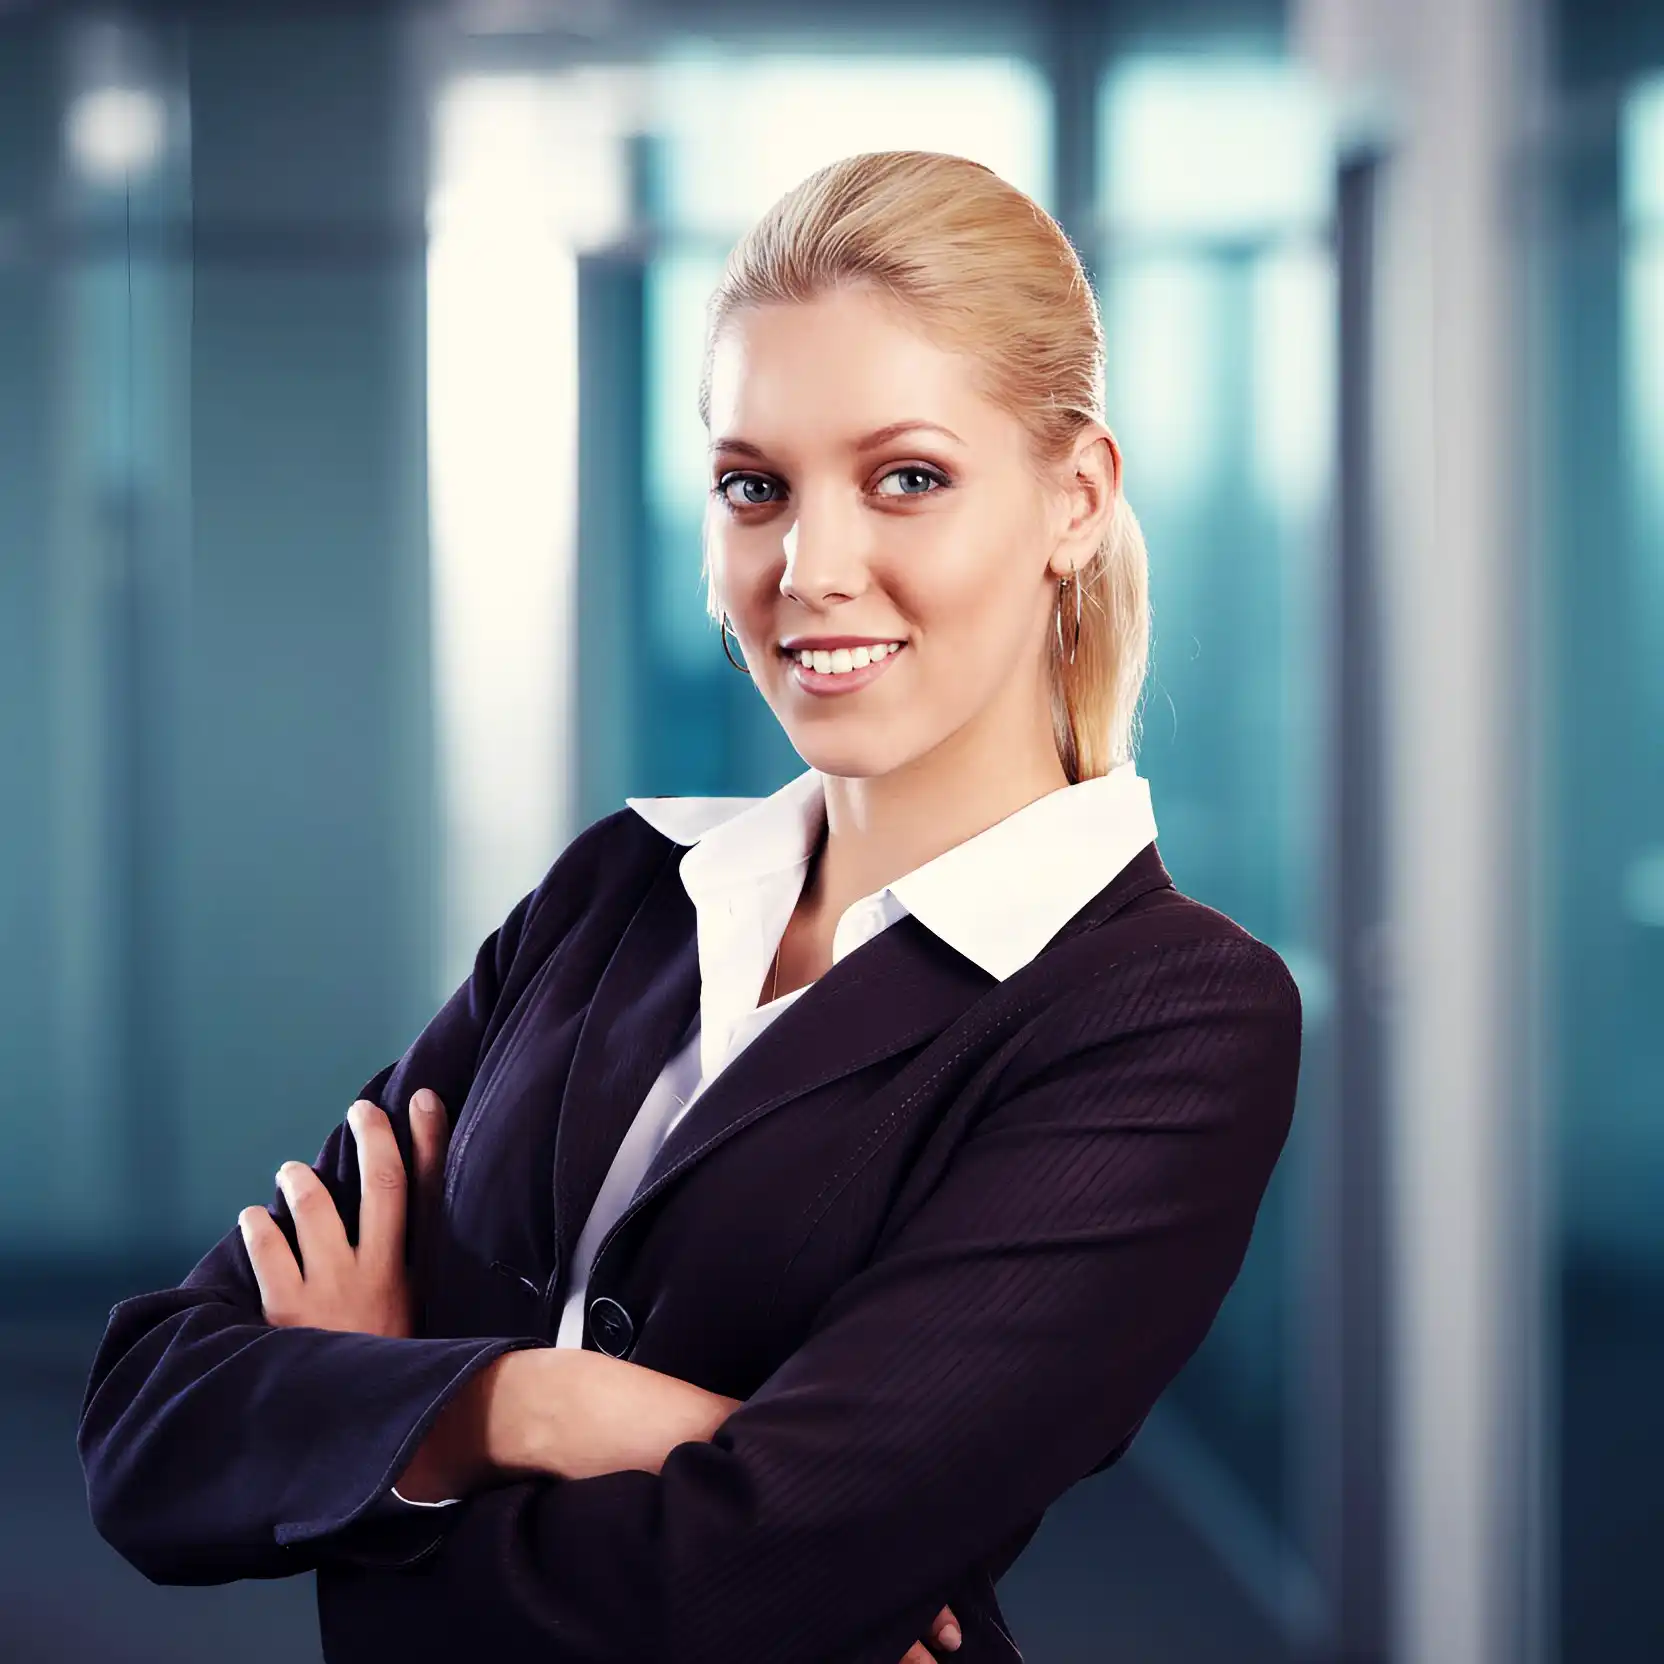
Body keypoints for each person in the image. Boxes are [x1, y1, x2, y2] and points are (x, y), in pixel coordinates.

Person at [77, 149, 1302, 1664]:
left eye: (907, 478)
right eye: (754, 487)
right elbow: (149, 1426)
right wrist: (531, 1403)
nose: (812, 568)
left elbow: (736, 1586)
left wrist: (371, 1431)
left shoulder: (1164, 1014)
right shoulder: (620, 891)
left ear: (1076, 499)